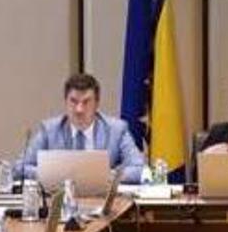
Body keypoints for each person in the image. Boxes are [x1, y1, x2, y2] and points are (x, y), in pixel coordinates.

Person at [14, 73, 145, 183]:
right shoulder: (49, 130)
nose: (79, 109)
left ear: (97, 104)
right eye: (73, 101)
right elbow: (20, 167)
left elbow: (139, 168)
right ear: (65, 102)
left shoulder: (116, 130)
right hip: (60, 200)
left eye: (86, 102)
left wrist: (107, 176)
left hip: (101, 200)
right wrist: (51, 174)